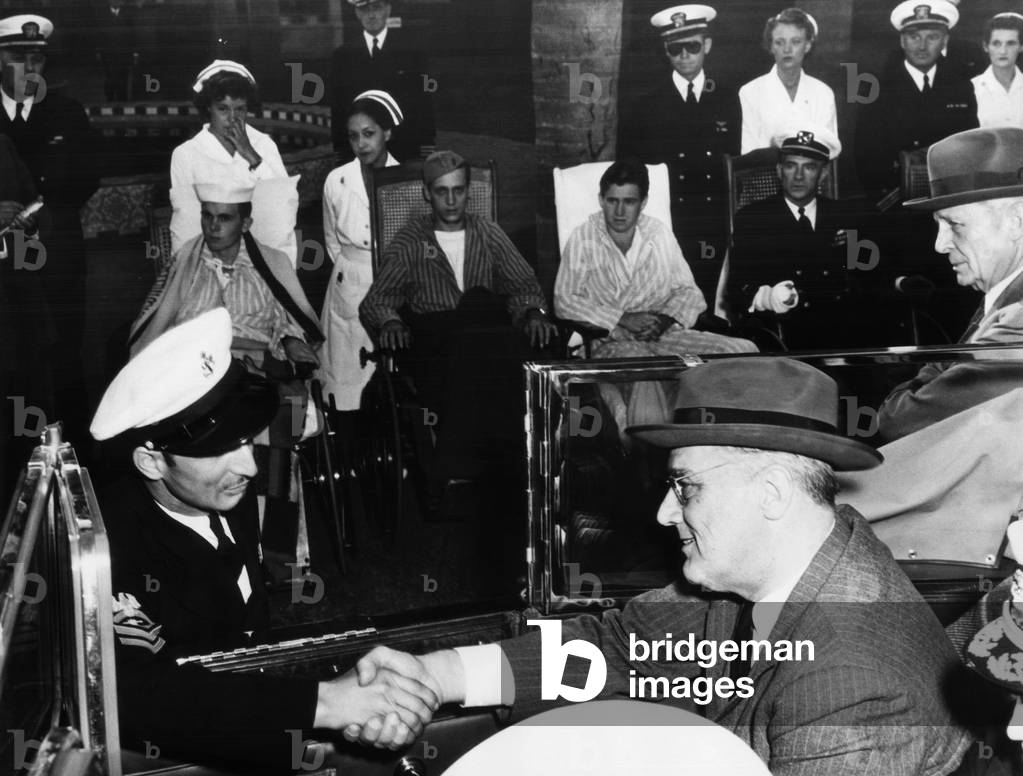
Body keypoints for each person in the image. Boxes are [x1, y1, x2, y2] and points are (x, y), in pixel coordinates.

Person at [342, 356, 973, 773]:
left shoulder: (854, 687)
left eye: (687, 487)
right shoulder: (773, 571)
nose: (666, 515)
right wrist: (435, 673)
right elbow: (621, 645)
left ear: (774, 493)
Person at [89, 308, 438, 771]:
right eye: (219, 450)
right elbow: (142, 698)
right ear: (151, 463)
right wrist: (328, 704)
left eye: (244, 441)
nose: (250, 468)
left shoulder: (215, 489)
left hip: (255, 713)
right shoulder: (112, 550)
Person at [360, 150, 557, 492]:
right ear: (427, 193)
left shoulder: (487, 232)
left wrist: (532, 312)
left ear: (468, 191)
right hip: (436, 336)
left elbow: (523, 284)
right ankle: (465, 458)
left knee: (518, 338)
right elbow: (377, 299)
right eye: (441, 191)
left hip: (486, 332)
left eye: (459, 190)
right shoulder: (413, 240)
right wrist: (390, 322)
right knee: (479, 334)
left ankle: (524, 451)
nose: (451, 200)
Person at [878, 127, 1023, 442]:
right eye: (939, 225)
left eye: (955, 224)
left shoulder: (1017, 321)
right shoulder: (1000, 297)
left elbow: (897, 421)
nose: (940, 245)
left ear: (1017, 220)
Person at [0, 13, 98, 447]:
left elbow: (85, 179)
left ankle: (71, 470)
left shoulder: (67, 113)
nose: (32, 69)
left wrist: (40, 210)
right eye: (20, 58)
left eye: (38, 59)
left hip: (56, 258)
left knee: (63, 365)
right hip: (6, 272)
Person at [555, 158, 754, 359]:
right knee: (644, 374)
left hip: (663, 336)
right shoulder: (583, 238)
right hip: (611, 340)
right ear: (601, 199)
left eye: (629, 202)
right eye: (612, 200)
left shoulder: (658, 233)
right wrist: (623, 318)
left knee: (743, 351)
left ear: (643, 203)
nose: (619, 212)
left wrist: (664, 320)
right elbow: (564, 300)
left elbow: (689, 292)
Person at [616, 4, 740, 301]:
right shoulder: (646, 104)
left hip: (713, 220)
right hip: (667, 219)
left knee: (707, 300)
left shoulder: (726, 97)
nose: (684, 55)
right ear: (666, 49)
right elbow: (630, 167)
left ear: (707, 45)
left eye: (693, 46)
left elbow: (735, 160)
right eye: (675, 48)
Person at [726, 127, 889, 350]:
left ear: (823, 174)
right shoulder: (753, 219)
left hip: (846, 331)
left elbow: (864, 272)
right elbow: (736, 290)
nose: (799, 176)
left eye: (809, 167)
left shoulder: (844, 216)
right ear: (779, 170)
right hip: (786, 334)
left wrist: (896, 282)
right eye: (791, 166)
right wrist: (769, 296)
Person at [320, 90, 403, 412]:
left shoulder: (404, 180)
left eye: (369, 134)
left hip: (392, 283)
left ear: (388, 132)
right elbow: (332, 241)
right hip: (347, 288)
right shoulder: (336, 181)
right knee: (345, 379)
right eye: (354, 137)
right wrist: (353, 269)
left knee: (389, 378)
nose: (362, 144)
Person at [169, 60, 296, 263]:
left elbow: (283, 205)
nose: (232, 118)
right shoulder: (186, 154)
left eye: (240, 109)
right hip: (209, 260)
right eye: (223, 109)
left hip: (261, 256)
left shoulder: (264, 145)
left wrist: (252, 156)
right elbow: (186, 222)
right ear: (208, 108)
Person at [854, 0, 978, 199]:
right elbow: (865, 156)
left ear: (945, 41)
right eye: (914, 37)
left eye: (932, 37)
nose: (922, 46)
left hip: (947, 196)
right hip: (896, 202)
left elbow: (969, 146)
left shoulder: (960, 86)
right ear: (902, 41)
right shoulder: (874, 86)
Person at [329, 0, 434, 163]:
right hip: (359, 150)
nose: (371, 15)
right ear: (357, 13)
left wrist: (425, 149)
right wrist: (341, 153)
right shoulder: (343, 55)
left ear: (388, 9)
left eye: (376, 8)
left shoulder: (410, 52)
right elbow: (338, 109)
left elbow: (423, 105)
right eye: (364, 9)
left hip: (404, 149)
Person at [738, 8, 836, 154]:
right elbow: (748, 154)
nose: (787, 49)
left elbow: (829, 152)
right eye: (779, 42)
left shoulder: (823, 93)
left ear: (807, 45)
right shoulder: (750, 93)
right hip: (764, 175)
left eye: (796, 42)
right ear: (771, 46)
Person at [972, 12, 1023, 130]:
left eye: (1010, 43)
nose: (1003, 51)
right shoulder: (972, 89)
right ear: (986, 46)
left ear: (1021, 46)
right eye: (996, 44)